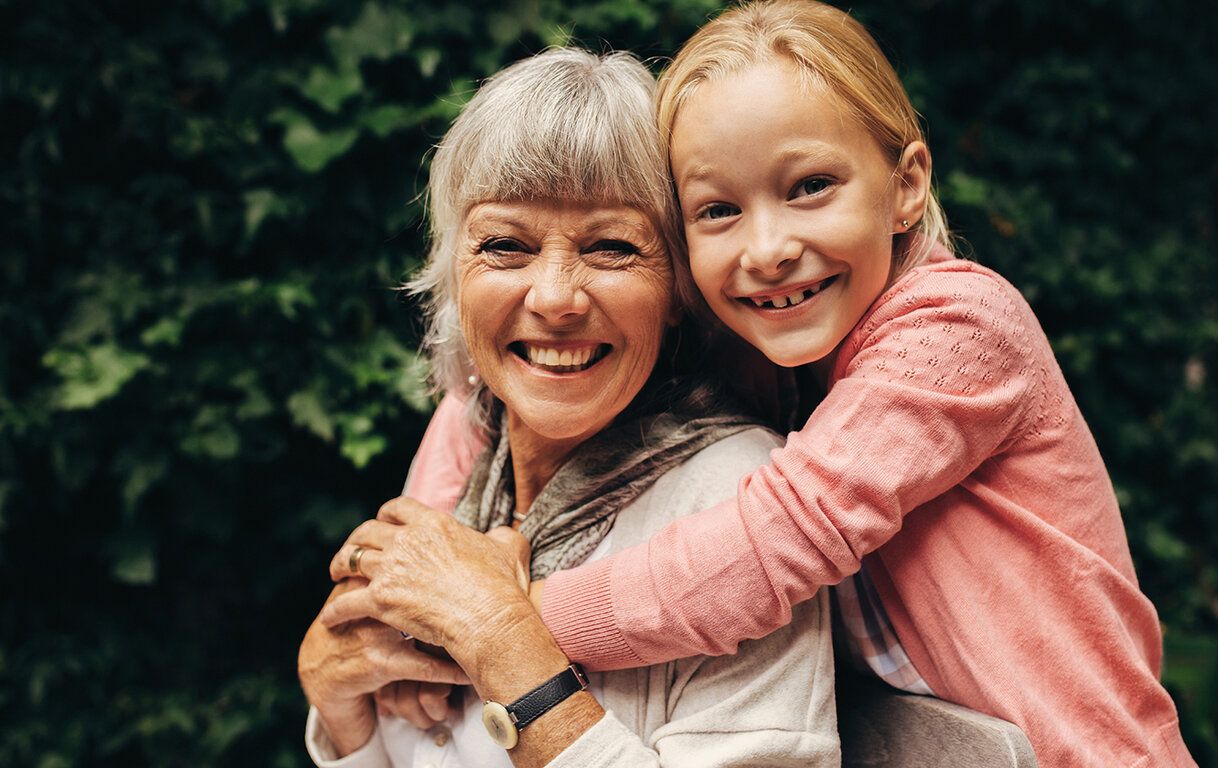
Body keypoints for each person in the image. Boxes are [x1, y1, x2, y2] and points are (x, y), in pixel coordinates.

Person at [298, 46, 840, 768]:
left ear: (679, 290)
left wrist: (498, 635)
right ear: (453, 272)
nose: (554, 296)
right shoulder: (464, 457)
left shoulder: (738, 502)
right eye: (506, 246)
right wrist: (339, 717)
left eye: (612, 246)